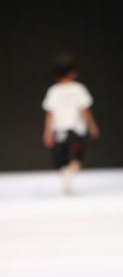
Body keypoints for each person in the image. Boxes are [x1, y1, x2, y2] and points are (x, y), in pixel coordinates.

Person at [42, 53, 99, 195]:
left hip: (59, 132)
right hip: (76, 131)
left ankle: (66, 174)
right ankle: (68, 173)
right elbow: (85, 110)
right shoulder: (79, 89)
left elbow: (50, 114)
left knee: (61, 161)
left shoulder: (53, 91)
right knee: (76, 160)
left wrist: (47, 132)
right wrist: (92, 126)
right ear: (73, 72)